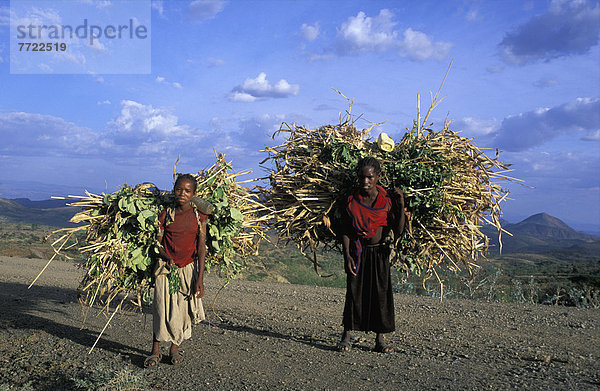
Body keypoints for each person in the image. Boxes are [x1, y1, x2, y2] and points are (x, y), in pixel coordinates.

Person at [338, 157, 405, 353]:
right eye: (362, 177)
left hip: (379, 253)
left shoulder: (387, 200)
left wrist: (401, 204)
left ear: (378, 177)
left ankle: (380, 340)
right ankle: (347, 335)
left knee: (380, 294)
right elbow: (346, 229)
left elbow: (399, 230)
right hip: (358, 251)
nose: (365, 182)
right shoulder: (352, 199)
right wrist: (347, 256)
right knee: (354, 292)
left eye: (369, 177)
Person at [144, 174, 207, 367]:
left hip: (187, 269)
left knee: (180, 310)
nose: (182, 194)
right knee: (161, 308)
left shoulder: (199, 216)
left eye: (187, 191)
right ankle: (155, 351)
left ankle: (174, 349)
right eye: (179, 189)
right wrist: (166, 257)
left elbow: (202, 246)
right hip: (165, 268)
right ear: (174, 191)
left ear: (194, 194)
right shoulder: (166, 214)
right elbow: (157, 242)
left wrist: (200, 279)